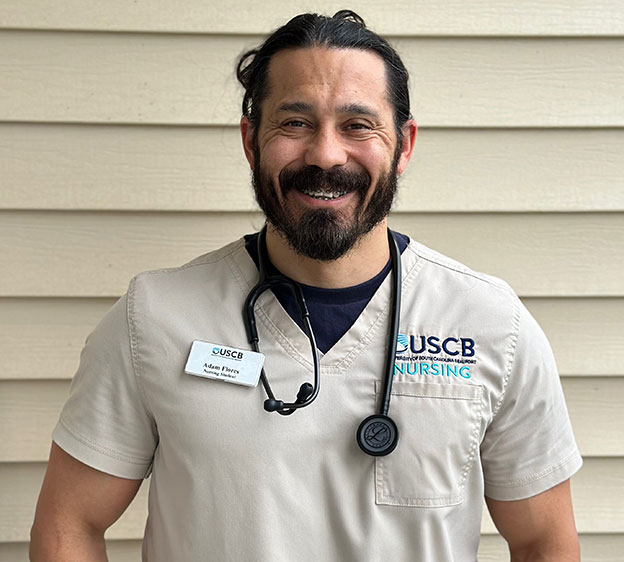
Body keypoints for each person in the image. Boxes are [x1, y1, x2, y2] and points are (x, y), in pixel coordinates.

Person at [30, 10, 582, 562]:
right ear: (251, 141)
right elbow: (68, 526)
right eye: (294, 123)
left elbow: (543, 544)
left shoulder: (490, 325)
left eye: (357, 125)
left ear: (404, 145)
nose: (324, 154)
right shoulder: (154, 317)